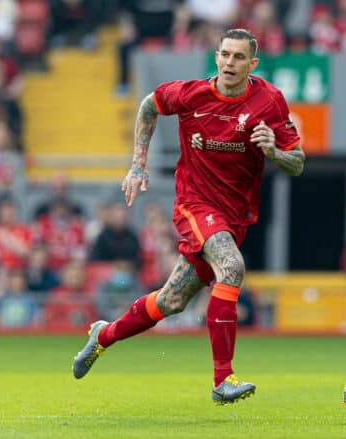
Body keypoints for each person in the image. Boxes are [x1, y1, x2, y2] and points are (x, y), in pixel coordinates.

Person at [72, 28, 305, 404]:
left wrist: (274, 151)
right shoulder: (190, 94)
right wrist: (137, 166)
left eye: (239, 57)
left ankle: (103, 335)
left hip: (234, 216)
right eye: (225, 55)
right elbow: (149, 105)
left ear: (253, 64)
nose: (230, 63)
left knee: (171, 301)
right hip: (195, 205)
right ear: (216, 57)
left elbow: (297, 162)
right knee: (231, 267)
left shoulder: (270, 102)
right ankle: (222, 379)